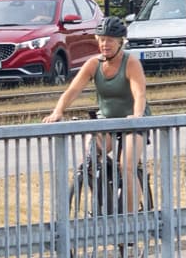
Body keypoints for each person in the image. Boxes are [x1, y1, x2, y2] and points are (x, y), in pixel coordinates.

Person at [48, 42, 158, 211]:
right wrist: (58, 111)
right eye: (101, 39)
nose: (105, 44)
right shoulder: (93, 64)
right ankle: (102, 202)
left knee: (126, 165)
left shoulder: (130, 63)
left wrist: (137, 115)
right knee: (89, 159)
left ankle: (130, 220)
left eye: (110, 40)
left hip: (133, 124)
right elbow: (73, 90)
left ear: (120, 42)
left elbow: (139, 93)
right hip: (107, 122)